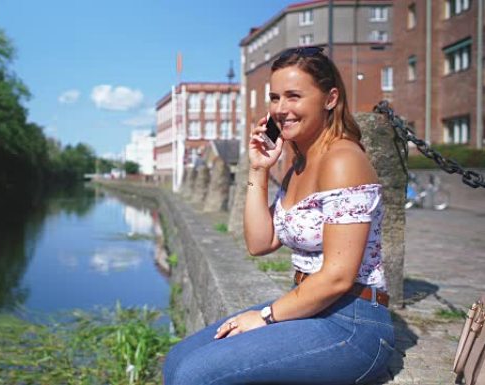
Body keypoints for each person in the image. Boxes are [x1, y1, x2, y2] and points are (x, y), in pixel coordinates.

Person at [162, 46, 394, 385]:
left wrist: (267, 316)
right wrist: (258, 169)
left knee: (194, 375)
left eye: (294, 96)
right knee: (178, 359)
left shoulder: (343, 160)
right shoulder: (298, 164)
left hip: (353, 322)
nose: (281, 109)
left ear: (330, 98)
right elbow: (260, 242)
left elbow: (339, 277)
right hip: (309, 308)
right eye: (275, 97)